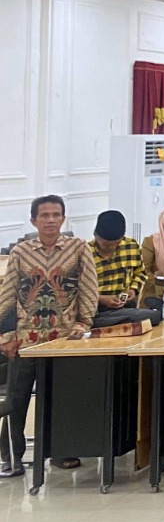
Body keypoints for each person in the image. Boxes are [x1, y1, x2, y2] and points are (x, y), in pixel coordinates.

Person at [1, 195, 97, 477]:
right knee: (16, 400)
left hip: (64, 338)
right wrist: (6, 334)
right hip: (25, 338)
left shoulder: (78, 249)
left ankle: (61, 451)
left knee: (60, 398)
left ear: (63, 218)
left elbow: (89, 289)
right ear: (34, 220)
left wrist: (83, 323)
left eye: (56, 215)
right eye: (45, 215)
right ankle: (11, 457)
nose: (51, 220)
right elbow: (8, 295)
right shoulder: (20, 252)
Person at [90, 210, 145, 310]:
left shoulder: (131, 246)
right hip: (95, 309)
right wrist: (100, 299)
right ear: (95, 235)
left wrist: (133, 290)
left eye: (117, 243)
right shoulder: (86, 253)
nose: (112, 248)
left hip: (126, 306)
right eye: (106, 245)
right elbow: (77, 290)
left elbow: (140, 273)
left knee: (153, 316)